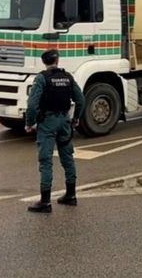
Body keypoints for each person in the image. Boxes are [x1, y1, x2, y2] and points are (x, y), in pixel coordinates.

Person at [25, 49, 85, 213]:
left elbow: (31, 106)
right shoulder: (68, 77)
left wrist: (29, 123)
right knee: (68, 158)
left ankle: (45, 202)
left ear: (44, 62)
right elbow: (81, 99)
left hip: (47, 123)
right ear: (57, 60)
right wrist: (76, 118)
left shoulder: (41, 78)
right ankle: (71, 195)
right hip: (64, 122)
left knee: (46, 161)